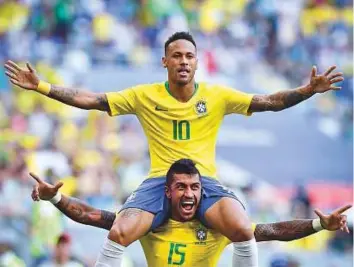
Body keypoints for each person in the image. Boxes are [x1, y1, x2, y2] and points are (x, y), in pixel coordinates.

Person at [4, 31, 344, 267]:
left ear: (197, 62)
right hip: (160, 182)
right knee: (120, 230)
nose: (184, 61)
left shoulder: (217, 95)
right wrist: (43, 86)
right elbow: (91, 100)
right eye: (177, 56)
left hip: (204, 181)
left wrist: (307, 90)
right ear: (164, 61)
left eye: (190, 56)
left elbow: (269, 101)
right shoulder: (144, 95)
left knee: (242, 229)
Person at [30, 159, 351, 267]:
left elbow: (272, 231)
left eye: (194, 188)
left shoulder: (220, 227)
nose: (189, 193)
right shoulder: (148, 222)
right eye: (181, 187)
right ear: (168, 192)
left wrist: (317, 225)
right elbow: (90, 215)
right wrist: (55, 197)